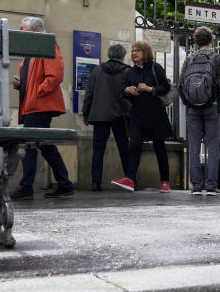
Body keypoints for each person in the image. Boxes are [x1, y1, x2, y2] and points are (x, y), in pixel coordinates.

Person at [9, 16, 72, 199]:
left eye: (23, 30)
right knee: (44, 144)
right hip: (34, 103)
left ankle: (26, 187)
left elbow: (55, 75)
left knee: (31, 143)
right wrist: (21, 84)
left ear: (35, 31)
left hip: (39, 104)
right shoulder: (34, 49)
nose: (20, 33)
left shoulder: (46, 45)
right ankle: (64, 183)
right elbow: (37, 76)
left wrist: (37, 91)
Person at [112, 40, 173, 192]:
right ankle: (130, 179)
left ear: (145, 53)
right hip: (138, 115)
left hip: (156, 115)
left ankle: (165, 181)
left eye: (137, 51)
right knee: (134, 145)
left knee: (160, 148)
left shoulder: (155, 67)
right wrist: (127, 91)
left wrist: (150, 88)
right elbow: (122, 93)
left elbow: (165, 87)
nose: (134, 53)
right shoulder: (130, 72)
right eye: (133, 51)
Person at [180, 26, 220, 196]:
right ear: (211, 40)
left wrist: (189, 102)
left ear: (196, 41)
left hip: (193, 109)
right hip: (212, 106)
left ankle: (195, 186)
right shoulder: (217, 59)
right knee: (213, 147)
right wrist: (219, 104)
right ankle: (211, 186)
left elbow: (181, 85)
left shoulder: (189, 58)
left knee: (193, 146)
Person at [81, 44, 131, 191]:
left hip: (100, 115)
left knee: (98, 150)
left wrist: (86, 113)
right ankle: (130, 179)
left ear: (109, 55)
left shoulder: (97, 70)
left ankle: (95, 183)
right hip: (119, 116)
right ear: (122, 56)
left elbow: (89, 93)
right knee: (124, 148)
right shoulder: (127, 71)